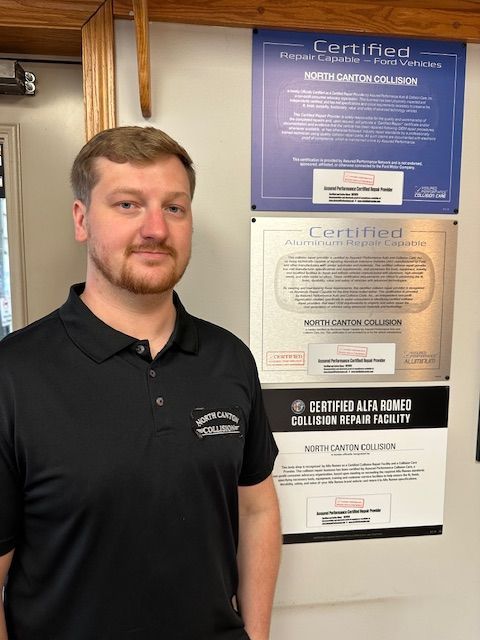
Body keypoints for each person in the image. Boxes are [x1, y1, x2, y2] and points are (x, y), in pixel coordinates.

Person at [0, 126, 281, 640]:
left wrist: (256, 635)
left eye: (174, 208)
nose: (156, 228)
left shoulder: (229, 359)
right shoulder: (12, 375)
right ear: (82, 219)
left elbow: (257, 506)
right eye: (128, 205)